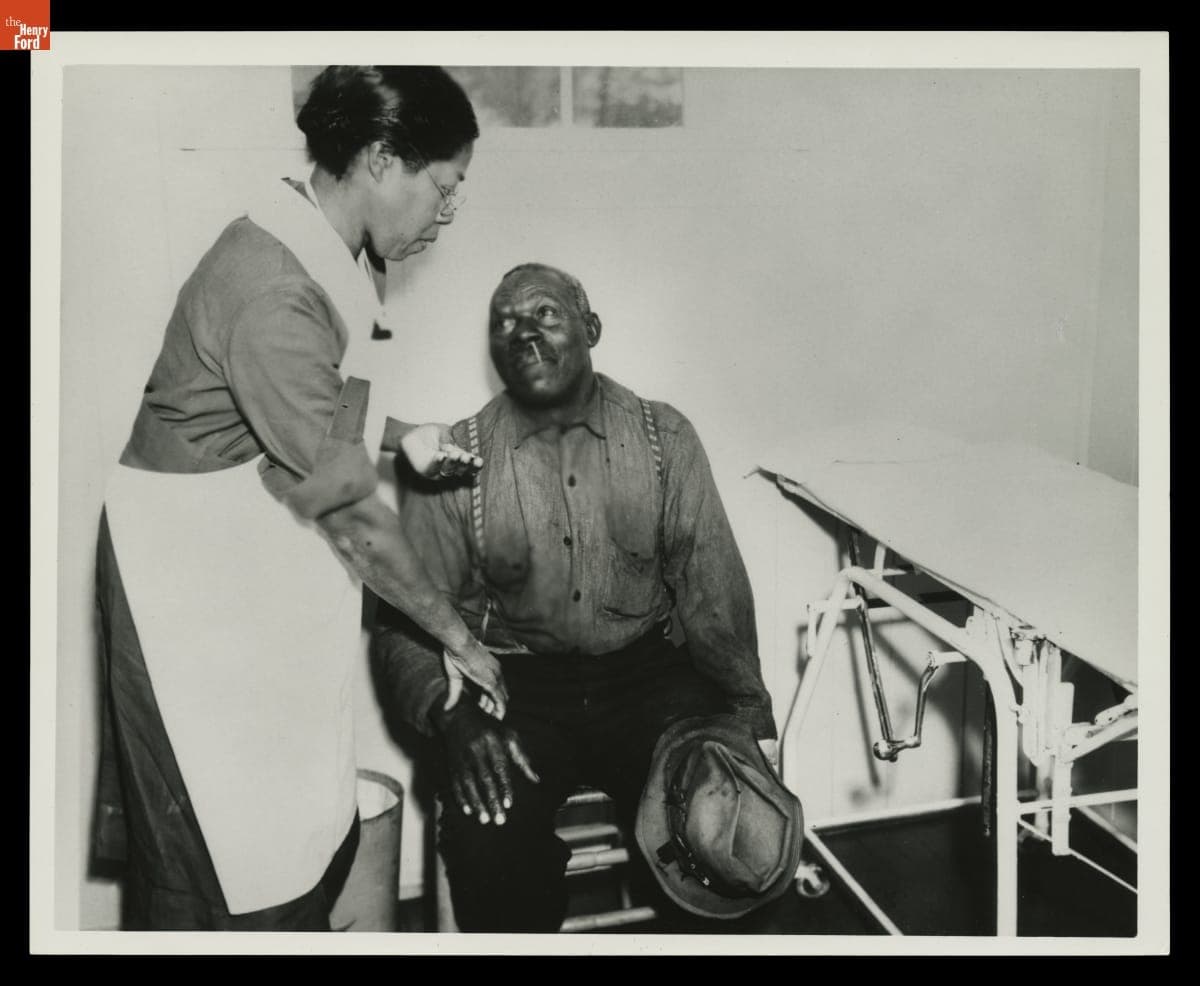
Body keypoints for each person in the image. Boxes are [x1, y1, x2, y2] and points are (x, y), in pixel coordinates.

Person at [92, 66, 509, 931]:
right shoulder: (272, 285)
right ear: (382, 159)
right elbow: (350, 511)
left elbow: (308, 396)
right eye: (444, 187)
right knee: (218, 864)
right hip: (188, 589)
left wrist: (403, 435)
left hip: (245, 564)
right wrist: (460, 639)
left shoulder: (314, 239)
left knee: (294, 832)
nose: (446, 213)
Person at [371, 262, 780, 932]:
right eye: (505, 323)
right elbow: (402, 622)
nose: (523, 333)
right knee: (487, 838)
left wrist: (747, 720)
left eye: (544, 313)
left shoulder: (665, 438)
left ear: (591, 328)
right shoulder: (451, 458)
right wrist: (452, 716)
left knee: (725, 826)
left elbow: (714, 594)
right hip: (512, 689)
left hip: (648, 679)